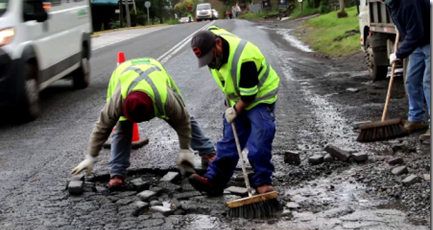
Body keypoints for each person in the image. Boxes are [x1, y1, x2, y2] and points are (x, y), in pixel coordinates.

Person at [71, 58, 216, 189]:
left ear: (152, 110)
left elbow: (183, 122)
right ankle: (117, 173)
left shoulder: (165, 99)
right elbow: (102, 128)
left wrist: (185, 150)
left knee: (186, 118)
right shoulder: (117, 102)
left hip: (154, 70)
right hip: (124, 72)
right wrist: (91, 156)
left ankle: (207, 152)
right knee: (122, 130)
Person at [188, 30, 280, 196]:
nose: (211, 62)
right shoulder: (214, 46)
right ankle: (215, 181)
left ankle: (263, 182)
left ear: (218, 43)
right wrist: (233, 107)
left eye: (211, 56)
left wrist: (235, 110)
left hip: (259, 98)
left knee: (259, 142)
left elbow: (249, 96)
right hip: (237, 99)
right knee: (229, 141)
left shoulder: (245, 58)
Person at [383, 0, 430, 142]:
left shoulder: (407, 2)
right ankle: (417, 119)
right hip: (419, 43)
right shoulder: (390, 3)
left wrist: (399, 53)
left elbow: (416, 33)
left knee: (429, 82)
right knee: (411, 80)